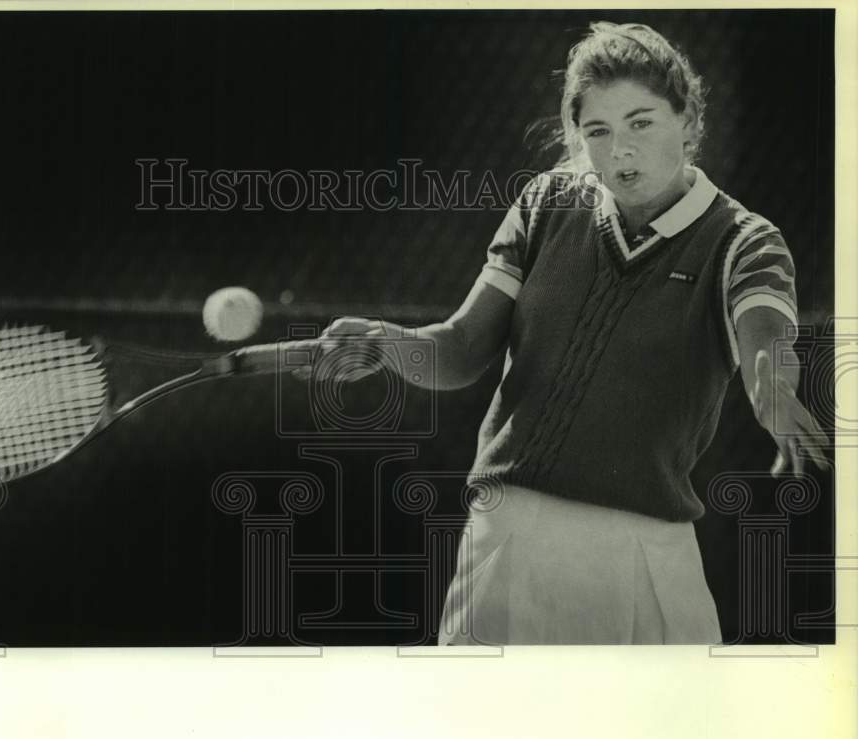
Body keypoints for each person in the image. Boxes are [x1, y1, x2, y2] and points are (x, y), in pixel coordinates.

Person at [304, 22, 830, 644]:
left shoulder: (745, 240)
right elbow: (461, 350)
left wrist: (774, 390)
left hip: (646, 545)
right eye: (598, 131)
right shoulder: (544, 203)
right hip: (508, 534)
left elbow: (764, 336)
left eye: (642, 123)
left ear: (687, 122)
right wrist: (386, 343)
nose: (620, 151)